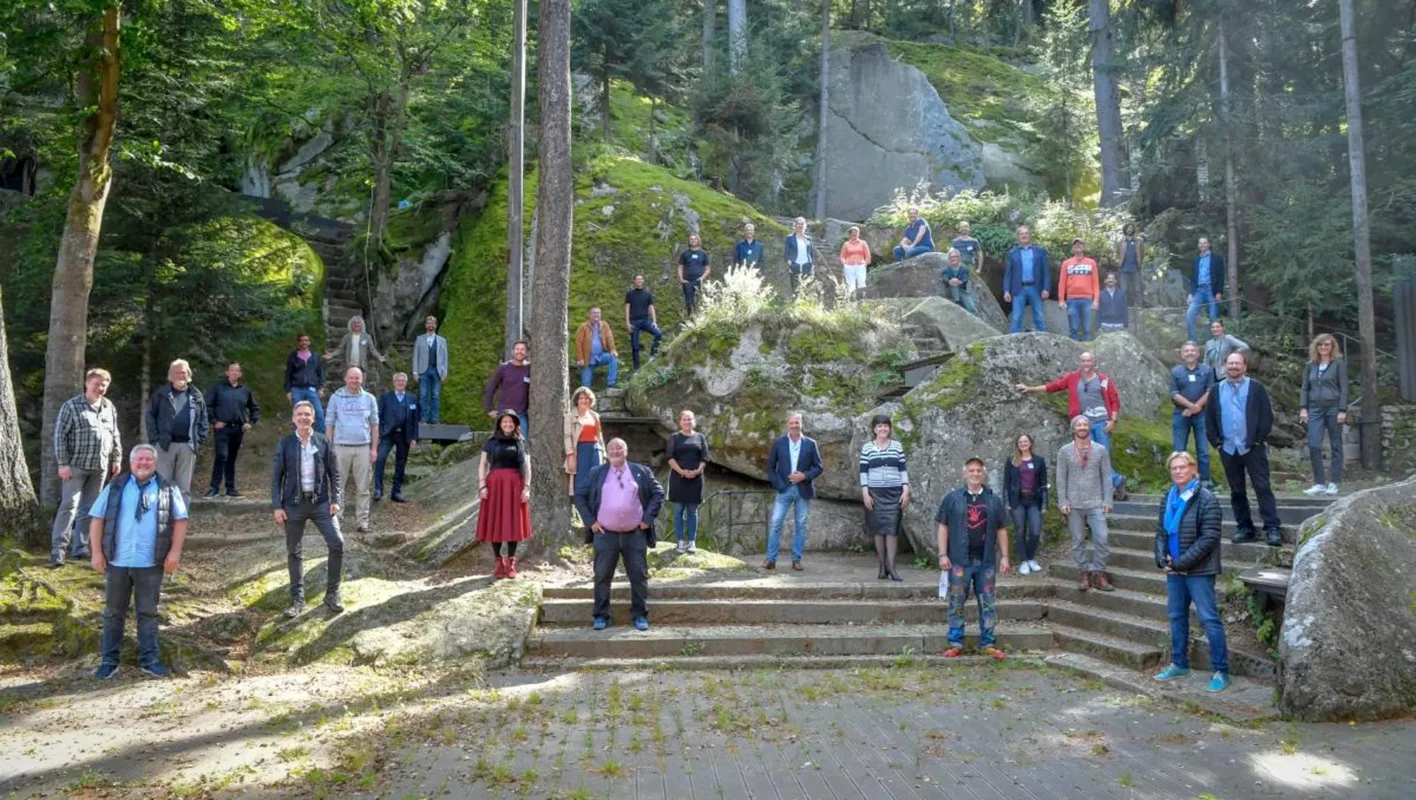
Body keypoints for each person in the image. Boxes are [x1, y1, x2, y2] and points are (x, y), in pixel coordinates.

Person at [87, 444, 189, 679]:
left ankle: (150, 660)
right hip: (118, 561)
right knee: (113, 613)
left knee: (148, 613)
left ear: (155, 463)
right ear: (131, 463)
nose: (143, 464)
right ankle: (109, 662)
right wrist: (96, 553)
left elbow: (181, 520)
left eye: (148, 460)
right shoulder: (116, 486)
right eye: (139, 460)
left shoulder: (167, 488)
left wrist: (174, 553)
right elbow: (97, 519)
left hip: (151, 563)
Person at [1152, 451, 1230, 693]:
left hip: (1199, 570)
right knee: (1176, 616)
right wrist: (1160, 557)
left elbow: (1209, 538)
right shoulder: (1169, 496)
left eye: (1182, 467)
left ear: (1193, 469)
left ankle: (1221, 670)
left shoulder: (1206, 498)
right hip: (1174, 570)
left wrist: (1181, 562)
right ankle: (1179, 663)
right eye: (1173, 468)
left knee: (1209, 619)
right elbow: (1161, 532)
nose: (1178, 471)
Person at [574, 438, 665, 631]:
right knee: (602, 575)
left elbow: (658, 493)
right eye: (612, 448)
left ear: (626, 450)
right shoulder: (596, 473)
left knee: (639, 576)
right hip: (605, 533)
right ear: (607, 452)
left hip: (635, 533)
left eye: (619, 448)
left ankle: (640, 615)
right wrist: (591, 522)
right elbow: (580, 496)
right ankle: (600, 615)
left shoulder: (641, 471)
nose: (616, 451)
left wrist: (647, 519)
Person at [271, 400, 344, 618]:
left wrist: (336, 499)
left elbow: (335, 474)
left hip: (321, 503)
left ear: (313, 418)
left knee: (337, 543)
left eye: (307, 415)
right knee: (294, 551)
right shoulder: (285, 443)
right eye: (299, 414)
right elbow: (276, 478)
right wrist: (277, 506)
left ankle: (332, 594)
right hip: (293, 505)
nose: (303, 418)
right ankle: (298, 600)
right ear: (294, 419)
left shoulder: (323, 441)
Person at [1017, 352, 1126, 495]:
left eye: (1089, 361)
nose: (1086, 363)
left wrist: (1113, 421)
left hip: (1102, 423)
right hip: (1083, 425)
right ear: (1080, 362)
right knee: (1090, 456)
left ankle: (1110, 486)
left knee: (1103, 455)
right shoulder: (1073, 378)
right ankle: (1116, 480)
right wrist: (1030, 389)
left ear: (1094, 362)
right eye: (1083, 361)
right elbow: (1053, 386)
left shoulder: (1103, 379)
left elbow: (1114, 400)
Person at [935, 457, 1012, 659]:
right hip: (959, 561)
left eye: (978, 471)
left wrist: (1005, 556)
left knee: (987, 603)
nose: (975, 474)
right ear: (964, 473)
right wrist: (942, 554)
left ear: (983, 473)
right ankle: (955, 642)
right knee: (956, 602)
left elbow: (1002, 529)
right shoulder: (952, 498)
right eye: (971, 470)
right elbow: (943, 526)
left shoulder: (993, 500)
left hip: (986, 562)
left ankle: (988, 643)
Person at [1205, 352, 1283, 547]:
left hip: (1252, 447)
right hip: (1229, 449)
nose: (1233, 366)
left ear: (1244, 366)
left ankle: (1272, 528)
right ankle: (1245, 528)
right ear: (1224, 366)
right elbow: (1209, 419)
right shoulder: (1215, 390)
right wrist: (1217, 443)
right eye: (1230, 363)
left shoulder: (1256, 388)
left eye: (1237, 363)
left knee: (1262, 487)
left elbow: (1266, 416)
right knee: (1237, 491)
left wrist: (1257, 440)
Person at [49, 368, 122, 568]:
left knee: (89, 509)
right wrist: (63, 464)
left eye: (104, 385)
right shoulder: (71, 406)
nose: (100, 388)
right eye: (97, 384)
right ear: (87, 383)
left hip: (99, 467)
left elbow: (115, 436)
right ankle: (58, 551)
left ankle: (80, 549)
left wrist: (116, 459)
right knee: (68, 507)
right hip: (75, 467)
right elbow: (59, 437)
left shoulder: (109, 407)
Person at [1057, 415, 1115, 591]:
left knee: (1102, 538)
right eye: (1079, 425)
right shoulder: (1065, 451)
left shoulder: (1100, 450)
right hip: (1073, 504)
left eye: (1085, 424)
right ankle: (1084, 571)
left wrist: (1108, 500)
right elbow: (1061, 478)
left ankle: (1099, 572)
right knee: (1077, 541)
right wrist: (1062, 501)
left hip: (1096, 502)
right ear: (1074, 429)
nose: (1082, 427)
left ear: (1089, 428)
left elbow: (1106, 476)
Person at [763, 411, 824, 571]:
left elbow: (819, 467)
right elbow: (770, 467)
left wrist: (804, 476)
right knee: (776, 522)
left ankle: (796, 559)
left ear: (801, 424)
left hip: (802, 490)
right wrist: (779, 484)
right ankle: (771, 559)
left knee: (801, 525)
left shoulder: (811, 443)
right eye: (792, 423)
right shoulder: (779, 443)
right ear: (787, 425)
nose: (794, 425)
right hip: (784, 490)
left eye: (797, 422)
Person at [144, 359, 209, 505]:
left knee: (184, 489)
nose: (181, 375)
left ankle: (181, 522)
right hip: (165, 445)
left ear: (189, 375)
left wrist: (198, 441)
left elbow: (204, 420)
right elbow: (150, 416)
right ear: (171, 376)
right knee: (162, 485)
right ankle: (162, 522)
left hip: (187, 446)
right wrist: (155, 441)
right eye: (177, 372)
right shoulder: (161, 394)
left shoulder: (196, 395)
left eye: (184, 372)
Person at [477, 410, 532, 579]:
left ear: (515, 424)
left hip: (514, 485)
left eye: (511, 422)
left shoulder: (521, 442)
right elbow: (483, 465)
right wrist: (482, 486)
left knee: (512, 522)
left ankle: (511, 561)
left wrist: (527, 488)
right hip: (494, 485)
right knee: (496, 521)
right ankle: (498, 561)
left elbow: (527, 466)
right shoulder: (491, 442)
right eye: (504, 422)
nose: (507, 424)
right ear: (500, 424)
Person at [325, 366, 379, 534]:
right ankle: (336, 520)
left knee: (363, 487)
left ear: (362, 379)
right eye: (352, 377)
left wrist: (374, 449)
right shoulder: (336, 398)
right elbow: (330, 424)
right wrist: (329, 447)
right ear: (345, 379)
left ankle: (362, 522)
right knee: (337, 485)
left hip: (363, 447)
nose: (355, 381)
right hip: (340, 447)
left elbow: (374, 425)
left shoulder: (369, 398)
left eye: (358, 378)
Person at [859, 413, 910, 581]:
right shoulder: (867, 448)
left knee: (892, 529)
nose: (883, 429)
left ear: (890, 428)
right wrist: (865, 493)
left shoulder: (897, 446)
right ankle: (882, 566)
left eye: (886, 426)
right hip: (875, 492)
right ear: (874, 429)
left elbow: (902, 469)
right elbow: (863, 473)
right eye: (879, 426)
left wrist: (905, 489)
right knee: (879, 530)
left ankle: (892, 566)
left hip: (894, 492)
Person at [1300, 334, 1349, 496]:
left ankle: (1334, 482)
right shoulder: (1310, 365)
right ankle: (1320, 483)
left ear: (1332, 347)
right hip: (1314, 409)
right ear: (1316, 347)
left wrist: (1342, 410)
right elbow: (1305, 388)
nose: (1323, 348)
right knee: (1314, 445)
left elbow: (1344, 388)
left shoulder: (1338, 364)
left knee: (1336, 445)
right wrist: (1303, 408)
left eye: (1327, 345)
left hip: (1334, 408)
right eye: (1320, 345)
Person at [204, 362, 260, 499]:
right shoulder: (218, 388)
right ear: (227, 373)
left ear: (240, 374)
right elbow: (207, 405)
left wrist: (250, 422)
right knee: (222, 455)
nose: (234, 373)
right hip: (222, 428)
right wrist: (214, 421)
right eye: (232, 370)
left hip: (238, 429)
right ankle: (214, 488)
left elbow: (255, 408)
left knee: (231, 458)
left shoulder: (245, 391)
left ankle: (230, 488)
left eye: (237, 371)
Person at [1170, 341, 1216, 486]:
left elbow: (1211, 390)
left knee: (1203, 449)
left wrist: (1196, 407)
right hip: (1181, 414)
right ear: (1182, 354)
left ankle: (1204, 480)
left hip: (1202, 415)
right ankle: (1180, 481)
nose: (1190, 353)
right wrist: (1191, 406)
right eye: (1187, 351)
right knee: (1179, 450)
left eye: (1192, 350)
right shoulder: (1176, 371)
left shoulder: (1207, 370)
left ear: (1198, 353)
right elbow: (1174, 393)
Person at [1003, 433, 1047, 576]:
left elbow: (1043, 484)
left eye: (1025, 441)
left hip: (1034, 499)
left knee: (1035, 531)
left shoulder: (1039, 461)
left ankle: (1030, 558)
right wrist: (1007, 502)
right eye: (1020, 441)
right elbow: (1006, 484)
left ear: (1030, 443)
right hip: (1017, 499)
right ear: (1017, 444)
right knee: (1020, 530)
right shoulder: (1012, 461)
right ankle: (1023, 561)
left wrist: (1045, 503)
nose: (1023, 443)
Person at [667, 409, 709, 553]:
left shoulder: (700, 437)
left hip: (696, 479)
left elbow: (705, 457)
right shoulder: (674, 437)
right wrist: (681, 471)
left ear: (694, 421)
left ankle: (691, 541)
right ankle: (680, 541)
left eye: (690, 419)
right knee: (678, 509)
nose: (687, 422)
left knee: (692, 510)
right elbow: (670, 458)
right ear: (680, 421)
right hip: (678, 479)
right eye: (684, 419)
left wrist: (698, 470)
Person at [374, 372, 419, 503]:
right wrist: (381, 432)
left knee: (401, 464)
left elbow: (415, 419)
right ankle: (378, 489)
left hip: (405, 435)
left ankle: (396, 491)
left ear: (405, 383)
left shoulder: (412, 398)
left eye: (402, 381)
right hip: (388, 434)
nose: (400, 383)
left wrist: (414, 438)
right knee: (380, 459)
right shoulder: (386, 397)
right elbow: (379, 416)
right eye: (398, 381)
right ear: (394, 382)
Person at [1002, 226, 1051, 333]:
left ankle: (1044, 341)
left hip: (1035, 288)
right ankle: (1013, 341)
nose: (1024, 236)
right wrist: (1006, 290)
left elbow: (1046, 272)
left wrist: (1046, 288)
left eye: (1026, 233)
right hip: (1019, 288)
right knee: (1016, 317)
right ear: (1018, 237)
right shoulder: (1012, 253)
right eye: (1021, 234)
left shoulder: (1040, 251)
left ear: (1030, 235)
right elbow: (1008, 274)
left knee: (1039, 316)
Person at [565, 386, 606, 500]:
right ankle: (582, 506)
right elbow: (567, 437)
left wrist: (604, 453)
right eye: (581, 398)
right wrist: (570, 454)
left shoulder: (594, 416)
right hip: (581, 449)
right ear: (576, 400)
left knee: (597, 479)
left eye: (587, 398)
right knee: (581, 480)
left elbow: (600, 436)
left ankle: (595, 505)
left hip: (596, 449)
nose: (584, 400)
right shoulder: (570, 416)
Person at [326, 315, 387, 391]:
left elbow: (372, 350)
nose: (356, 324)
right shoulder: (347, 337)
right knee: (348, 389)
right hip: (349, 367)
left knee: (360, 389)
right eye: (354, 323)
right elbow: (340, 349)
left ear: (361, 324)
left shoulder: (367, 337)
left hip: (361, 367)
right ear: (351, 325)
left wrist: (379, 357)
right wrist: (331, 355)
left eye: (358, 323)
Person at [484, 340, 531, 437]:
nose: (520, 352)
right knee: (502, 443)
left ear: (526, 353)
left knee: (522, 444)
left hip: (521, 414)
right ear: (513, 351)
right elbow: (491, 388)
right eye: (517, 349)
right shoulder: (504, 368)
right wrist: (489, 409)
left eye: (522, 350)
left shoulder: (530, 368)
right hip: (504, 413)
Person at [1058, 238, 1100, 342]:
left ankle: (1087, 354)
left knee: (1087, 328)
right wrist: (1061, 300)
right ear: (1072, 248)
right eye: (1075, 244)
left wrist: (1096, 300)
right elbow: (1062, 283)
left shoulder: (1091, 263)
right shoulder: (1066, 263)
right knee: (1074, 328)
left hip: (1087, 299)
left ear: (1083, 247)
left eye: (1080, 244)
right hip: (1072, 300)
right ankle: (1075, 354)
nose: (1078, 245)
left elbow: (1095, 283)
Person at [284, 333, 327, 431]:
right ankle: (299, 437)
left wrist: (321, 387)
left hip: (311, 388)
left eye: (306, 340)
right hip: (297, 389)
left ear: (309, 342)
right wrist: (288, 391)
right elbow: (288, 374)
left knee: (319, 413)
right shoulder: (293, 356)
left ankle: (322, 437)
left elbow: (320, 372)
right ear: (298, 342)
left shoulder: (315, 356)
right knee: (298, 414)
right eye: (302, 340)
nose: (304, 342)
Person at [1186, 237, 1225, 341]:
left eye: (1205, 243)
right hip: (1198, 291)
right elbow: (1193, 277)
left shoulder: (1216, 258)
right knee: (1190, 314)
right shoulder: (1196, 260)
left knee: (1213, 317)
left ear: (1208, 244)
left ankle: (1213, 341)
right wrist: (1191, 294)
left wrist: (1219, 292)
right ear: (1199, 245)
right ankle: (1192, 341)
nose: (1202, 245)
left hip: (1211, 290)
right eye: (1200, 243)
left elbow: (1221, 276)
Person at [411, 315, 448, 425]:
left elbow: (445, 357)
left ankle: (435, 418)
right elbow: (415, 356)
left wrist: (445, 372)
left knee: (435, 395)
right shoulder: (420, 339)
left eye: (433, 323)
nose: (430, 325)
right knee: (423, 395)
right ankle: (424, 418)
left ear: (435, 326)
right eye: (429, 323)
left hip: (437, 370)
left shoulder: (442, 341)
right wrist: (415, 372)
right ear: (426, 325)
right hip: (423, 370)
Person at [574, 308, 619, 389]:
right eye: (594, 313)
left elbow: (609, 338)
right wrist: (580, 358)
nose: (596, 315)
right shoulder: (583, 327)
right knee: (586, 386)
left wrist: (613, 350)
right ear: (589, 315)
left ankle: (611, 383)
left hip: (600, 356)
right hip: (587, 359)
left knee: (613, 357)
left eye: (598, 313)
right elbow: (578, 343)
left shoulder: (604, 325)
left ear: (600, 314)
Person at [624, 274, 663, 370]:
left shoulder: (647, 294)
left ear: (643, 281)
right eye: (637, 279)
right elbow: (627, 309)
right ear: (634, 281)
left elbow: (651, 307)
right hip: (634, 321)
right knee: (635, 346)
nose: (639, 281)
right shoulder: (630, 294)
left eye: (640, 279)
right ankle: (636, 369)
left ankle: (653, 355)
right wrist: (627, 323)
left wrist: (654, 321)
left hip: (645, 320)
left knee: (658, 333)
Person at [678, 234, 712, 315]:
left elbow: (708, 269)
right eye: (691, 239)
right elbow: (680, 267)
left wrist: (702, 278)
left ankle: (698, 319)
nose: (693, 240)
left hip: (698, 281)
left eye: (695, 239)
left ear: (698, 240)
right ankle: (690, 318)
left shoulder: (703, 253)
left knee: (698, 301)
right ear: (689, 241)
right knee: (689, 302)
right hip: (687, 281)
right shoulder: (685, 253)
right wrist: (681, 279)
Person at [939, 248, 979, 316]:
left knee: (971, 307)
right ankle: (957, 303)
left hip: (961, 291)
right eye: (951, 257)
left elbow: (965, 280)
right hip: (950, 291)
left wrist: (958, 282)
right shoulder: (946, 270)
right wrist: (950, 281)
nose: (952, 259)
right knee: (953, 284)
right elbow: (945, 279)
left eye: (954, 257)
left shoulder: (964, 270)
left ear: (959, 258)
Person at [784, 216, 815, 294]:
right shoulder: (790, 238)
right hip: (795, 264)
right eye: (798, 224)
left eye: (802, 224)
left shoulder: (808, 239)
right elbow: (786, 252)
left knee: (805, 287)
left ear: (804, 226)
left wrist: (811, 263)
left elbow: (811, 252)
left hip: (806, 265)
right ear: (795, 225)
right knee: (795, 287)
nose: (800, 226)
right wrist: (789, 262)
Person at [1116, 223, 1144, 308]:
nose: (1129, 230)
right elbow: (1118, 253)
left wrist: (1139, 262)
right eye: (1128, 228)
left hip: (1135, 267)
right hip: (1124, 268)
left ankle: (1139, 305)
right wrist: (1120, 262)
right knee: (1124, 289)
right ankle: (1124, 306)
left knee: (1137, 288)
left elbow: (1142, 253)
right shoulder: (1121, 242)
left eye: (1131, 228)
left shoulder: (1138, 241)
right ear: (1125, 230)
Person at [839, 226, 872, 297]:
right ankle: (851, 298)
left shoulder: (863, 243)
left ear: (858, 233)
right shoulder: (846, 244)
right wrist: (845, 263)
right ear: (850, 234)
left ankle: (862, 298)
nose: (854, 234)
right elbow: (842, 256)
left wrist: (865, 263)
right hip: (849, 266)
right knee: (850, 284)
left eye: (856, 232)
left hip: (860, 266)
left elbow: (868, 256)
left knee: (861, 282)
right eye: (853, 232)